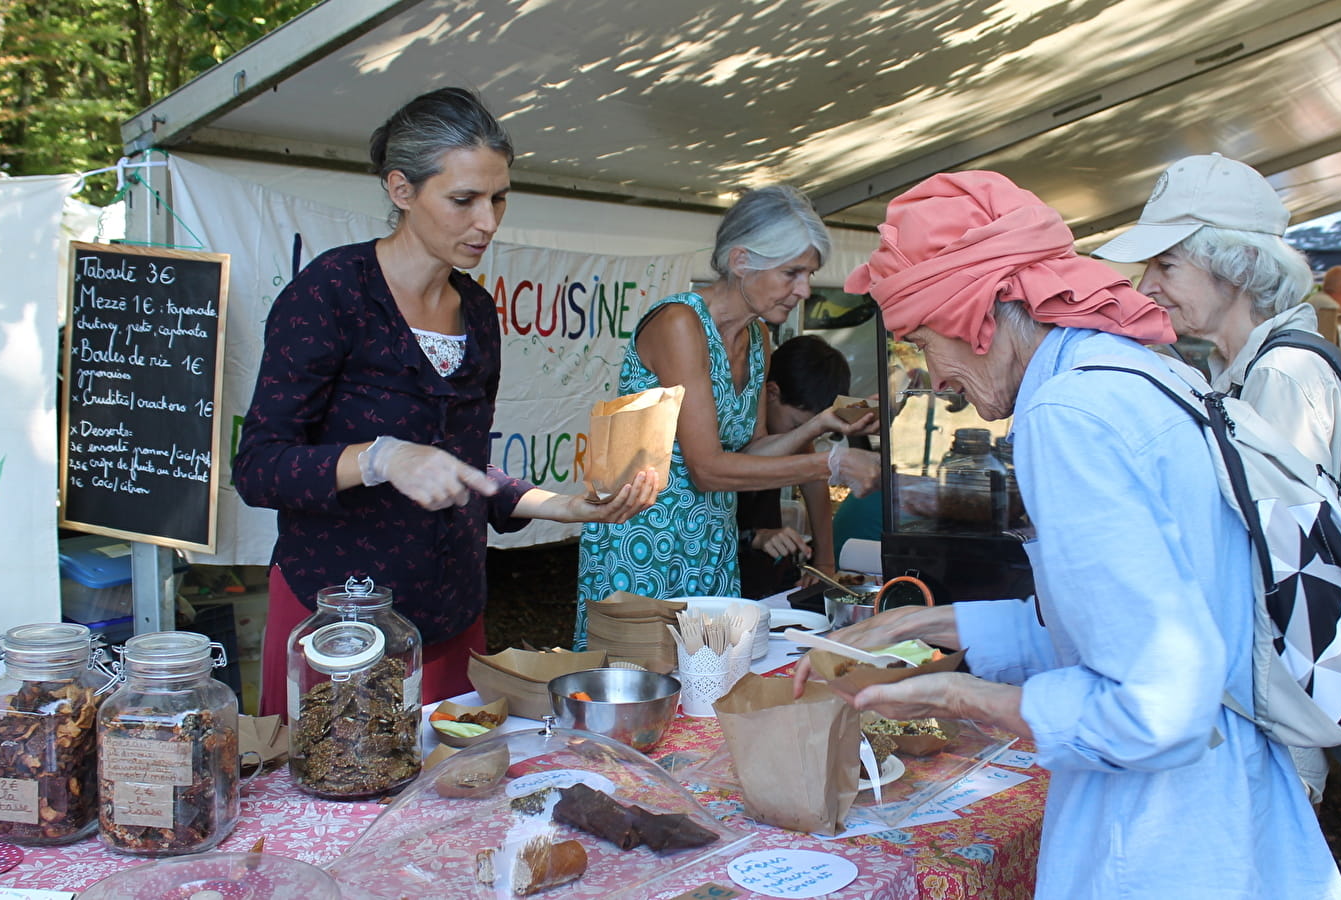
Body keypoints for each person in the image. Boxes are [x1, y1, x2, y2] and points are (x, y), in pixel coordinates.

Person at [801, 170, 1341, 898]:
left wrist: (956, 696)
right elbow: (1109, 630)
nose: (932, 380)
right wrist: (926, 621)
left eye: (921, 342)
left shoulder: (1069, 415)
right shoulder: (1125, 372)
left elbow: (1152, 707)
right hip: (1218, 799)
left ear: (981, 316)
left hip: (1165, 840)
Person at [233, 87, 658, 713]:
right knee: (342, 797)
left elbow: (463, 468)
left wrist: (563, 507)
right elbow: (260, 466)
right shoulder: (332, 292)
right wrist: (380, 458)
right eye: (463, 200)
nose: (486, 221)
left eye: (498, 199)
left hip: (451, 613)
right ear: (401, 190)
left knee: (450, 796)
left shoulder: (478, 312)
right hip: (341, 619)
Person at [576, 186, 878, 647]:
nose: (804, 290)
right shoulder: (679, 323)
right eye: (792, 273)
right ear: (741, 261)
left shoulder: (756, 336)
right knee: (641, 691)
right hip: (642, 547)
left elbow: (751, 449)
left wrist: (817, 427)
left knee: (708, 693)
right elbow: (708, 467)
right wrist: (828, 464)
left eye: (809, 274)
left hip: (709, 545)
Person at [1093, 154, 1341, 542]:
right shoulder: (1242, 365)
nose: (1145, 287)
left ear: (1242, 266)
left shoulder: (1280, 374)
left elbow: (1285, 548)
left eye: (1166, 266)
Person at [736, 334, 855, 599]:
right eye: (799, 426)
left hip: (767, 570)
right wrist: (753, 537)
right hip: (724, 566)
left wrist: (824, 561)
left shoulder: (794, 430)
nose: (804, 438)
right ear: (771, 392)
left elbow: (813, 480)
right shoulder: (733, 428)